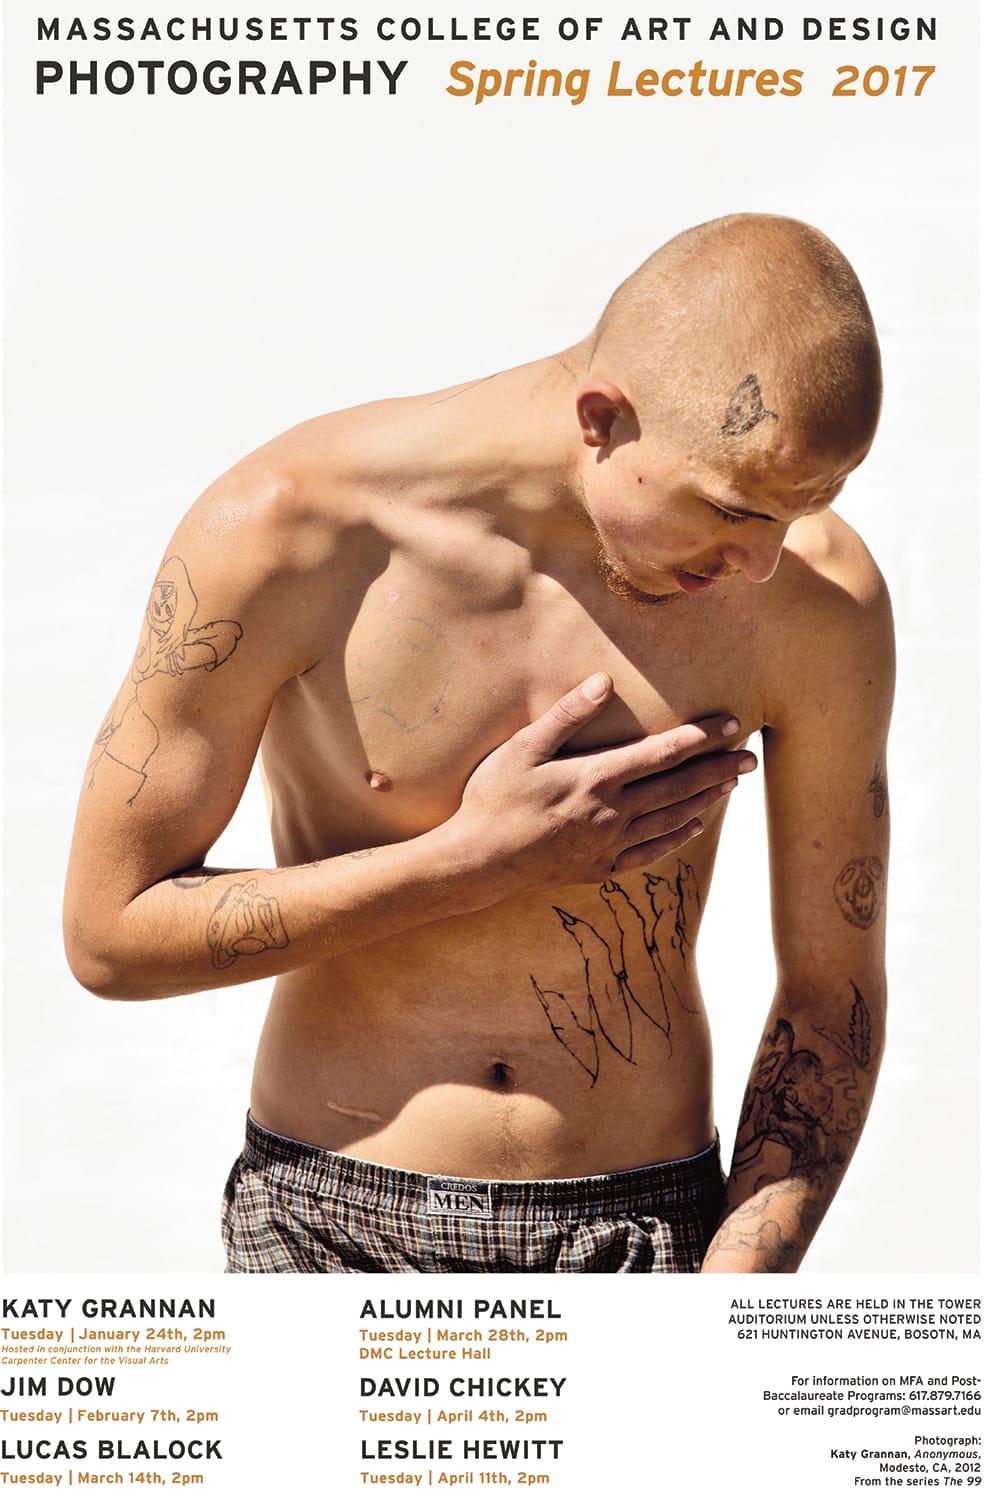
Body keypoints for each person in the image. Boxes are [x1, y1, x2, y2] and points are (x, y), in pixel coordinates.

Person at [63, 212, 894, 1274]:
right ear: (604, 419)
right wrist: (468, 864)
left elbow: (834, 1005)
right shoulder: (288, 532)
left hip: (648, 1236)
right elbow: (108, 936)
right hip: (327, 1224)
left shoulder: (819, 598)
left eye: (801, 511)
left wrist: (729, 1298)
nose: (767, 562)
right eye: (732, 512)